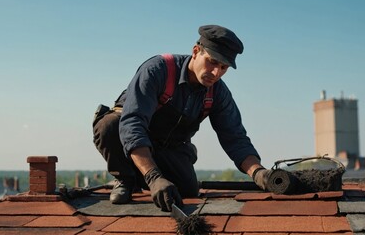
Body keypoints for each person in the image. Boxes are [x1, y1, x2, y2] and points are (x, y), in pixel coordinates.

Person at [93, 24, 271, 212]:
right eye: (212, 61)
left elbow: (235, 137)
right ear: (196, 51)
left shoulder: (218, 92)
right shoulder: (157, 70)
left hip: (169, 149)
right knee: (110, 125)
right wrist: (154, 177)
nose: (216, 73)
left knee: (187, 191)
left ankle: (148, 177)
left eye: (223, 67)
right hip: (132, 141)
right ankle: (126, 179)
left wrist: (259, 173)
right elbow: (132, 125)